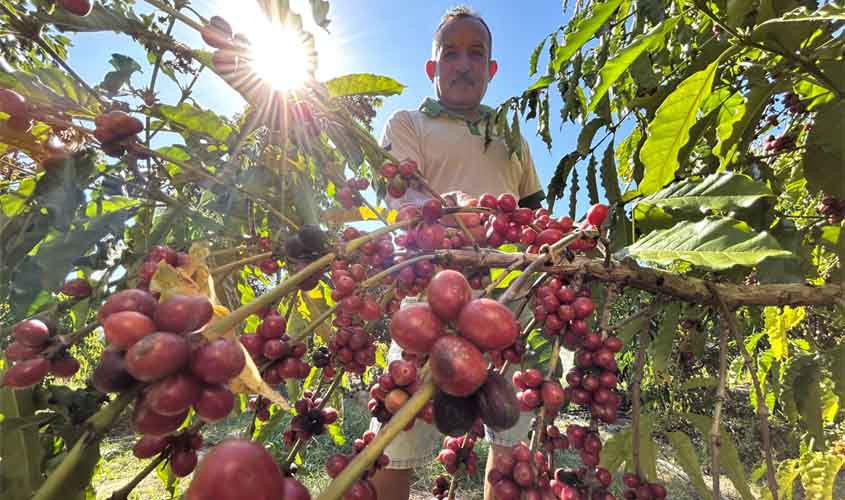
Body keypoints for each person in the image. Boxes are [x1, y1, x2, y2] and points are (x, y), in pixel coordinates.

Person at [369, 6, 545, 500]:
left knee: (510, 440)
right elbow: (404, 203)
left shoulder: (511, 138)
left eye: (476, 53)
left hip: (508, 298)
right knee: (395, 431)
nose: (463, 63)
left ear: (491, 70)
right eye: (451, 53)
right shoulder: (407, 123)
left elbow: (532, 216)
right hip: (430, 295)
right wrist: (452, 215)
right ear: (432, 68)